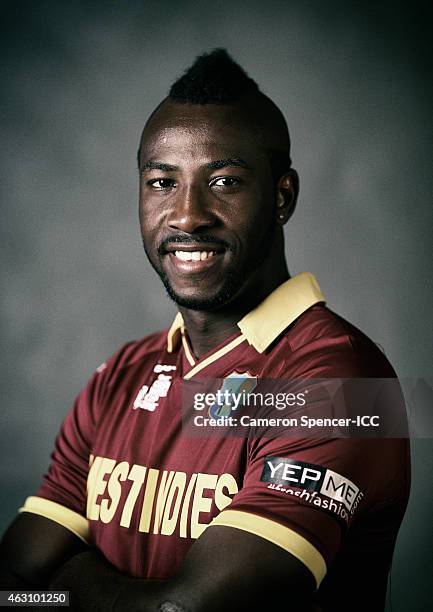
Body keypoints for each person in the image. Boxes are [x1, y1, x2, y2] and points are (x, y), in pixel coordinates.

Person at [0, 49, 410, 611]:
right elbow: (12, 588)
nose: (188, 214)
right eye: (162, 182)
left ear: (282, 196)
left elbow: (188, 610)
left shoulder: (344, 382)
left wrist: (64, 589)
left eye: (224, 181)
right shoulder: (119, 377)